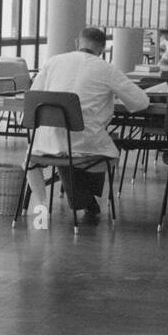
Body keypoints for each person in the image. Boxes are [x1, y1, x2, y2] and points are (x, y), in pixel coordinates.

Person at [25, 26, 149, 225]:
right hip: (85, 143)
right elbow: (141, 103)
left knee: (30, 160)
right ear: (102, 49)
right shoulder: (106, 68)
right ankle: (98, 203)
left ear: (77, 43)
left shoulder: (53, 62)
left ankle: (41, 208)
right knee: (111, 152)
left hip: (46, 144)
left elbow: (33, 95)